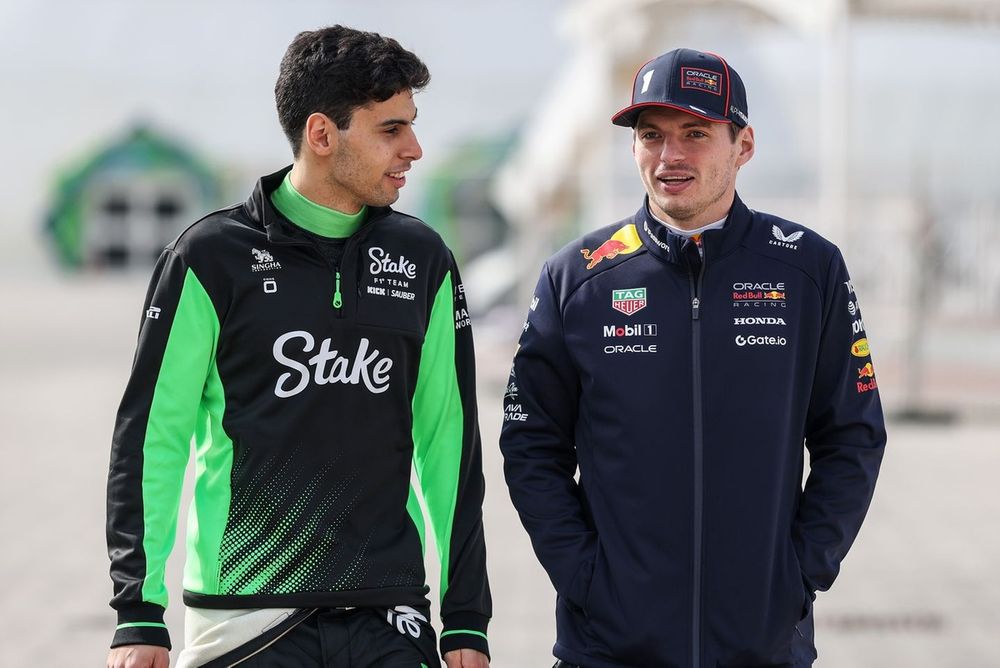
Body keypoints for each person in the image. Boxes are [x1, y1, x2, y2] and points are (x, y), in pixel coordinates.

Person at [106, 25, 491, 668]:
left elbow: (448, 444)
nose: (415, 148)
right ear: (321, 134)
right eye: (391, 129)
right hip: (244, 615)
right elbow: (152, 438)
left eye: (411, 126)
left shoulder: (423, 259)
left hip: (388, 612)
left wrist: (466, 620)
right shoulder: (209, 257)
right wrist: (138, 611)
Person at [500, 48, 886, 668]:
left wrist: (799, 572)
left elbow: (853, 437)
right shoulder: (577, 278)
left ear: (744, 145)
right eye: (651, 135)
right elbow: (530, 445)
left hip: (761, 646)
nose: (670, 156)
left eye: (696, 134)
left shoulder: (808, 269)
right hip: (609, 649)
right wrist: (584, 577)